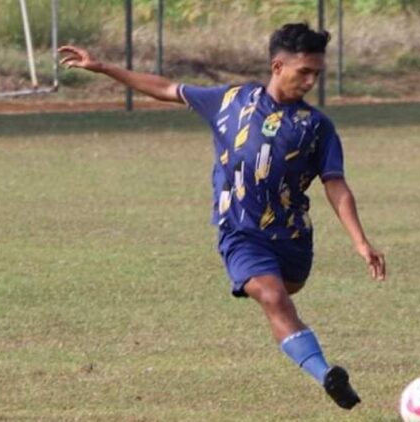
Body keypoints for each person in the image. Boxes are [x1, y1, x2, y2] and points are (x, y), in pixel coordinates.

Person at [58, 22, 386, 410]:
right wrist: (104, 68)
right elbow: (167, 89)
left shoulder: (316, 127)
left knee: (283, 292)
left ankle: (301, 342)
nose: (311, 81)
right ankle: (327, 375)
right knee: (272, 295)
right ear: (277, 67)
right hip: (241, 232)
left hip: (293, 240)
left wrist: (360, 241)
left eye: (317, 73)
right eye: (305, 72)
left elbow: (336, 184)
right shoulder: (231, 100)